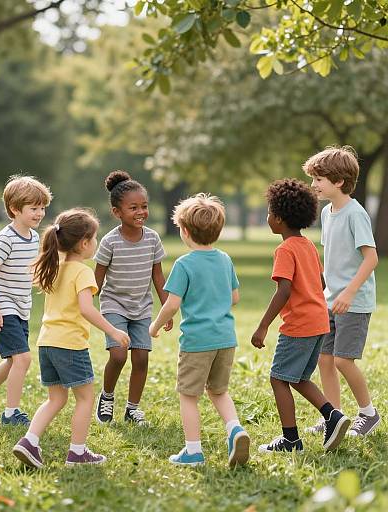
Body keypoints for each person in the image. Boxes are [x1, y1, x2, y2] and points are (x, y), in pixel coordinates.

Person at [13, 208, 130, 468]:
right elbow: (87, 309)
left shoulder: (54, 267)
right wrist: (113, 331)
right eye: (95, 238)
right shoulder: (82, 271)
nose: (96, 243)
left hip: (47, 342)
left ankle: (29, 441)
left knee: (56, 398)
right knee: (86, 398)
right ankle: (77, 453)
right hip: (69, 345)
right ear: (84, 243)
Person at [150, 193, 250, 467]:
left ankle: (193, 451)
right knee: (218, 391)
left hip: (197, 342)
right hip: (226, 339)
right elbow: (235, 297)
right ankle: (236, 429)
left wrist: (155, 326)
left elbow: (172, 305)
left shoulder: (184, 264)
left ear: (184, 231)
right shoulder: (225, 259)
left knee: (188, 396)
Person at [251, 179, 351, 453]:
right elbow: (319, 284)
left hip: (299, 325)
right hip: (319, 322)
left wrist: (262, 327)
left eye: (269, 212)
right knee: (297, 378)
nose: (267, 217)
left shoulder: (284, 249)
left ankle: (291, 439)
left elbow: (283, 290)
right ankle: (333, 415)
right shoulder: (307, 245)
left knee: (278, 378)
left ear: (279, 219)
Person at [303, 146, 380, 437]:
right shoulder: (327, 213)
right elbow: (332, 256)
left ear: (338, 181)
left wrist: (347, 293)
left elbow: (370, 258)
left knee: (343, 360)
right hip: (330, 300)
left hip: (354, 302)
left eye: (319, 179)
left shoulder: (355, 214)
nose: (313, 185)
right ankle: (333, 416)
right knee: (324, 359)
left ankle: (368, 413)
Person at [0, 176, 51, 426]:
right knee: (23, 359)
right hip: (2, 307)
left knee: (13, 359)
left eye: (42, 208)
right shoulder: (6, 238)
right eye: (33, 208)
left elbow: (26, 268)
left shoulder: (34, 237)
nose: (40, 213)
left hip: (21, 306)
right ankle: (11, 413)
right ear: (15, 209)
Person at [94, 170, 171, 426]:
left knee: (141, 358)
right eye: (133, 207)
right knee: (118, 355)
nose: (141, 212)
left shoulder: (152, 238)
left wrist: (166, 308)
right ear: (117, 212)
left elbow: (158, 276)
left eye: (145, 206)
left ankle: (132, 408)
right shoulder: (109, 242)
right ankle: (106, 396)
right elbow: (98, 279)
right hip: (114, 305)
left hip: (142, 307)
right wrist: (86, 308)